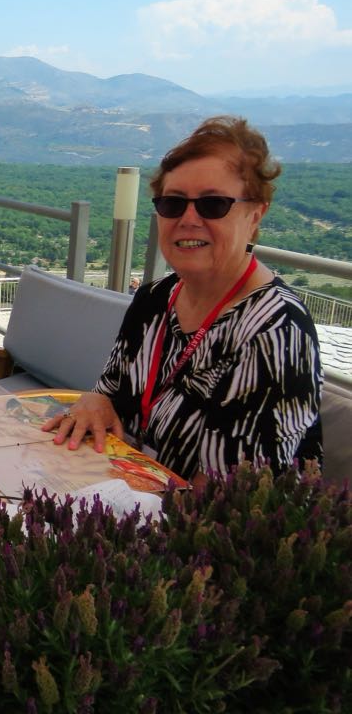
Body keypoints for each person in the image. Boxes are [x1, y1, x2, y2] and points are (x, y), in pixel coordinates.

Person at [43, 116, 323, 484]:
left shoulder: (276, 331)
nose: (189, 219)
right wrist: (95, 400)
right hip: (119, 493)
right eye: (173, 203)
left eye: (213, 204)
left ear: (256, 214)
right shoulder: (154, 298)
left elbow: (241, 499)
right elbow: (109, 390)